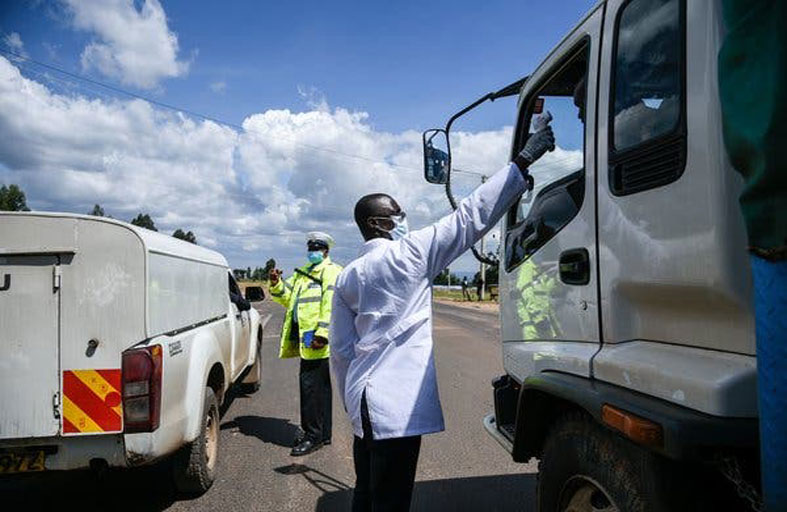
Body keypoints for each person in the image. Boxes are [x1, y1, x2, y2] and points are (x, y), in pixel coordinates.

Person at [330, 118, 555, 511]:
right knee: (392, 499)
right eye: (396, 215)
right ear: (377, 223)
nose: (403, 220)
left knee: (366, 491)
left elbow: (341, 350)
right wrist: (523, 160)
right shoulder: (411, 254)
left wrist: (350, 404)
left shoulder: (348, 276)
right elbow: (470, 217)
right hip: (395, 408)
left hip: (362, 401)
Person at [269, 232, 343, 456]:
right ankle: (323, 433)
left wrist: (322, 333)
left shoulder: (331, 272)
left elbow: (330, 305)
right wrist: (276, 283)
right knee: (319, 388)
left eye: (318, 249)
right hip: (307, 338)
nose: (313, 252)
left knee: (311, 388)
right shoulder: (303, 273)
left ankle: (313, 436)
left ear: (326, 251)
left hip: (316, 339)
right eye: (310, 249)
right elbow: (287, 298)